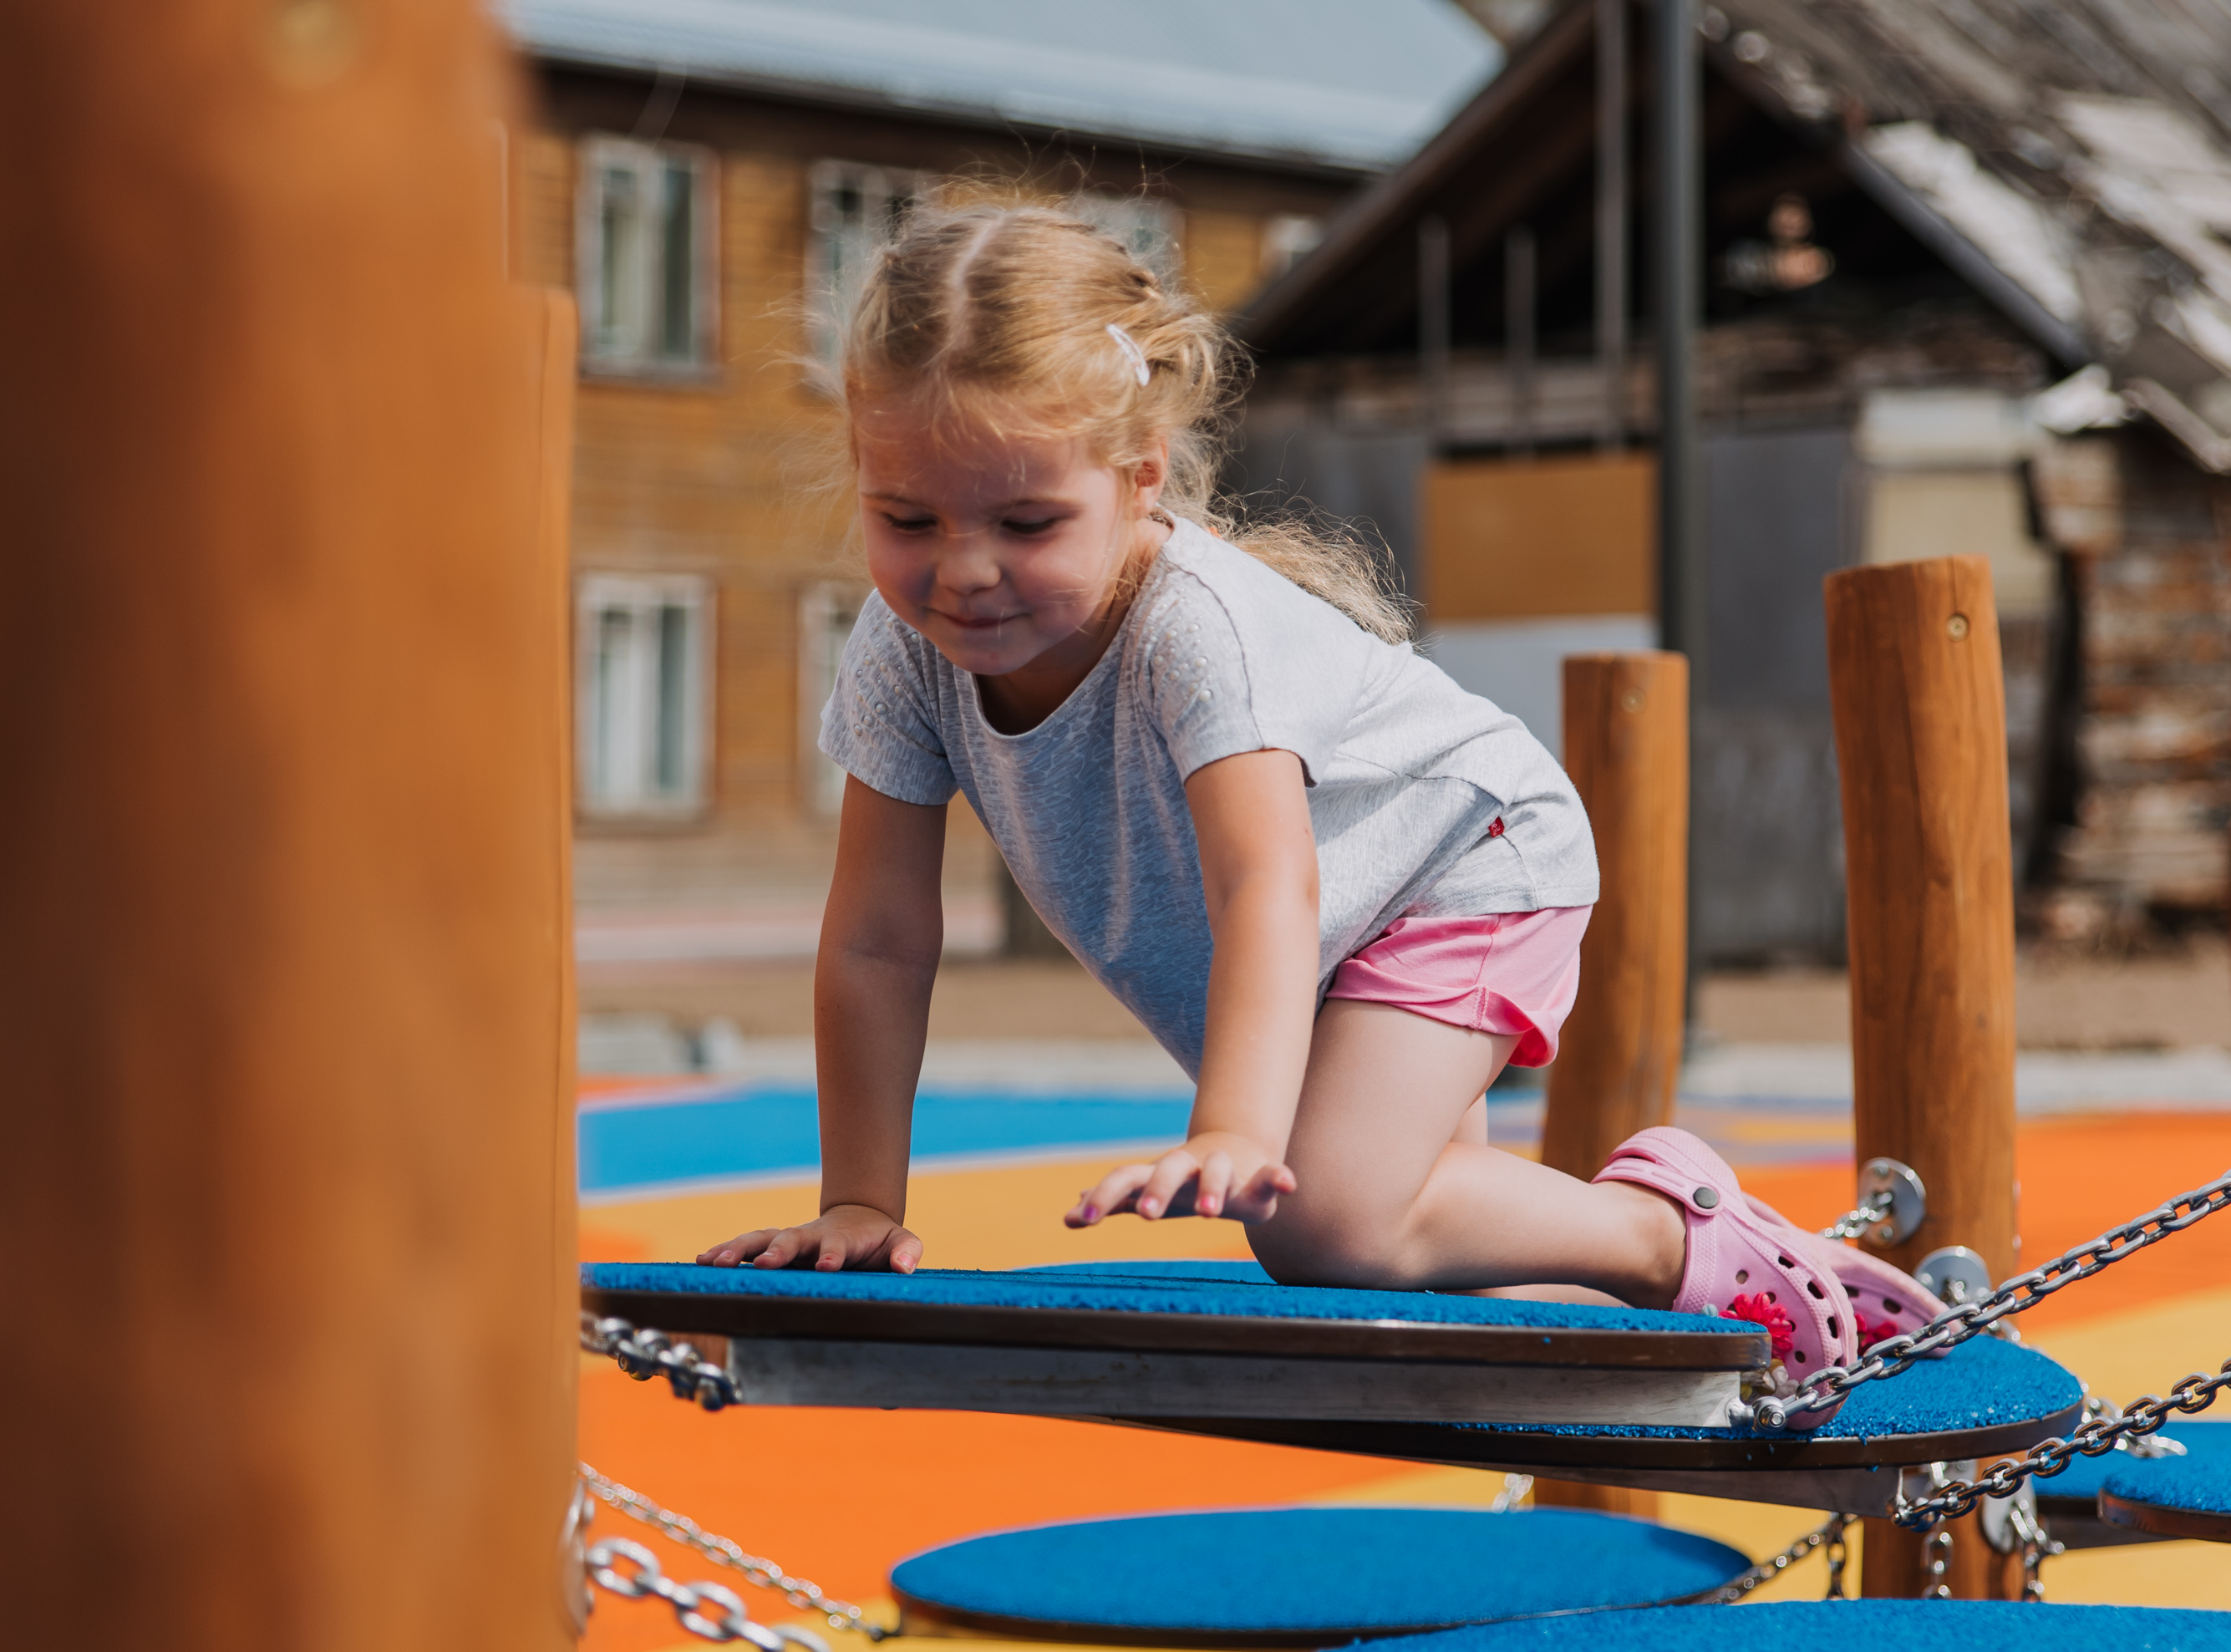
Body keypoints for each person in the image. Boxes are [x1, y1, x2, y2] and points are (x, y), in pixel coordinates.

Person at [700, 208, 1937, 1381]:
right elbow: (876, 937)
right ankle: (1683, 1295)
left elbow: (1265, 882)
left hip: (1459, 863)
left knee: (1323, 1226)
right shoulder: (900, 648)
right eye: (904, 517)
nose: (961, 571)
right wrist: (862, 1201)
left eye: (1026, 521)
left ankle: (1670, 1233)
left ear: (1141, 477)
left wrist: (1237, 1124)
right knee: (1419, 1270)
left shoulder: (1197, 633)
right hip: (1337, 926)